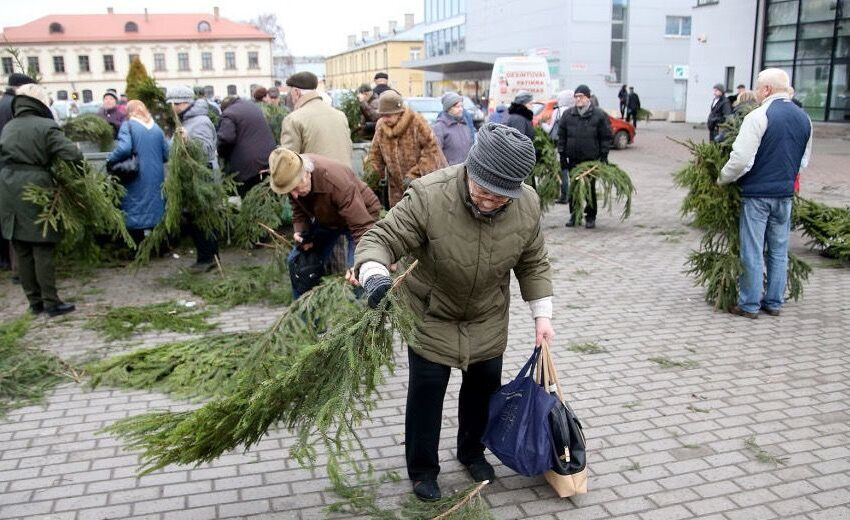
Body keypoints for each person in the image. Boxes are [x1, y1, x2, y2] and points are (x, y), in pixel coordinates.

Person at [351, 123, 555, 502]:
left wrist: (542, 316)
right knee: (427, 395)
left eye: (500, 198)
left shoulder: (526, 205)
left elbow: (533, 261)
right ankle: (423, 469)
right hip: (432, 314)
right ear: (470, 171)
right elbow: (382, 237)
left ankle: (472, 452)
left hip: (487, 316)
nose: (489, 202)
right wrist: (375, 275)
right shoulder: (429, 196)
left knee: (483, 391)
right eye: (482, 192)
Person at [718, 68, 812, 319]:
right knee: (779, 251)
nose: (757, 92)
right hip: (785, 195)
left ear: (767, 89)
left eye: (759, 88)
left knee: (753, 249)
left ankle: (749, 305)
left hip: (757, 196)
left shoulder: (759, 116)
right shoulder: (805, 119)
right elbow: (803, 161)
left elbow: (741, 159)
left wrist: (723, 178)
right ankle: (774, 302)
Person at [0, 84, 82, 317]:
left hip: (7, 186)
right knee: (42, 245)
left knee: (22, 247)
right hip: (35, 186)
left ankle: (34, 302)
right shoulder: (45, 126)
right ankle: (52, 303)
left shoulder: (10, 126)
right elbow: (72, 155)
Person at [267, 147, 381, 298]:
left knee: (358, 275)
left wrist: (360, 261)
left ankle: (362, 314)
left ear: (306, 174)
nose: (294, 195)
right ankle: (306, 316)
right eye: (290, 191)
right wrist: (301, 232)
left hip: (360, 218)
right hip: (328, 218)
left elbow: (361, 226)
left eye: (295, 189)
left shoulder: (336, 181)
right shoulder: (291, 175)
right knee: (299, 263)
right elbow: (298, 208)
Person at [166, 86, 221, 272]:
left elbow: (205, 150)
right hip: (190, 178)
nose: (173, 107)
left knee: (204, 218)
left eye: (176, 103)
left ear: (186, 103)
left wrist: (188, 141)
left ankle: (209, 258)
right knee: (194, 219)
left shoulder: (201, 122)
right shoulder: (186, 121)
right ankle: (204, 257)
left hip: (203, 178)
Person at [369, 91, 447, 207]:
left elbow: (432, 150)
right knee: (399, 220)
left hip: (423, 186)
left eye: (388, 115)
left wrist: (414, 174)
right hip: (396, 190)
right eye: (382, 115)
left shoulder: (417, 123)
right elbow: (375, 154)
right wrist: (372, 175)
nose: (384, 119)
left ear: (399, 112)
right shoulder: (381, 127)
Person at [107, 100, 169, 246]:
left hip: (136, 176)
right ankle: (159, 246)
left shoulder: (128, 126)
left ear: (128, 112)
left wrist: (110, 159)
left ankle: (136, 248)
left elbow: (124, 148)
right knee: (155, 208)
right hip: (156, 176)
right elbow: (166, 154)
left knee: (134, 207)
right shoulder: (157, 129)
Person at [558, 84, 613, 229]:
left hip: (591, 160)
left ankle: (590, 216)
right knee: (574, 188)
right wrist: (562, 155)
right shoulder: (568, 115)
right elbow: (561, 136)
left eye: (581, 96)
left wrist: (603, 155)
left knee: (589, 188)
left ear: (588, 97)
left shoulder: (598, 115)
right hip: (573, 159)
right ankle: (574, 215)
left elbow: (606, 137)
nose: (578, 99)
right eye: (576, 97)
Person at [0, 73, 36, 272]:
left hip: (5, 170)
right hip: (15, 169)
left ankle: (5, 260)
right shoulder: (15, 106)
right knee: (20, 224)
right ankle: (19, 268)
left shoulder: (2, 103)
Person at [280, 72, 353, 168]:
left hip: (318, 180)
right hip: (345, 179)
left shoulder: (293, 119)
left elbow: (289, 163)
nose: (291, 98)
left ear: (296, 92)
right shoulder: (340, 115)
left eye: (290, 93)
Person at [217, 95, 277, 198]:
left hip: (248, 167)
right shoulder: (252, 106)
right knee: (265, 195)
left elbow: (226, 139)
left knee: (248, 198)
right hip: (269, 159)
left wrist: (221, 153)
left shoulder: (228, 114)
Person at [543, 90, 575, 205]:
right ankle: (573, 194)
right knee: (572, 170)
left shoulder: (557, 112)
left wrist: (542, 124)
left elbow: (550, 130)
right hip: (573, 146)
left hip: (559, 145)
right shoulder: (575, 111)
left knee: (563, 170)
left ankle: (564, 195)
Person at [431, 92, 473, 166]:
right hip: (450, 173)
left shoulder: (464, 123)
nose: (461, 109)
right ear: (449, 108)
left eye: (461, 106)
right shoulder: (439, 127)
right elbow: (435, 154)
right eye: (457, 107)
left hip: (467, 171)